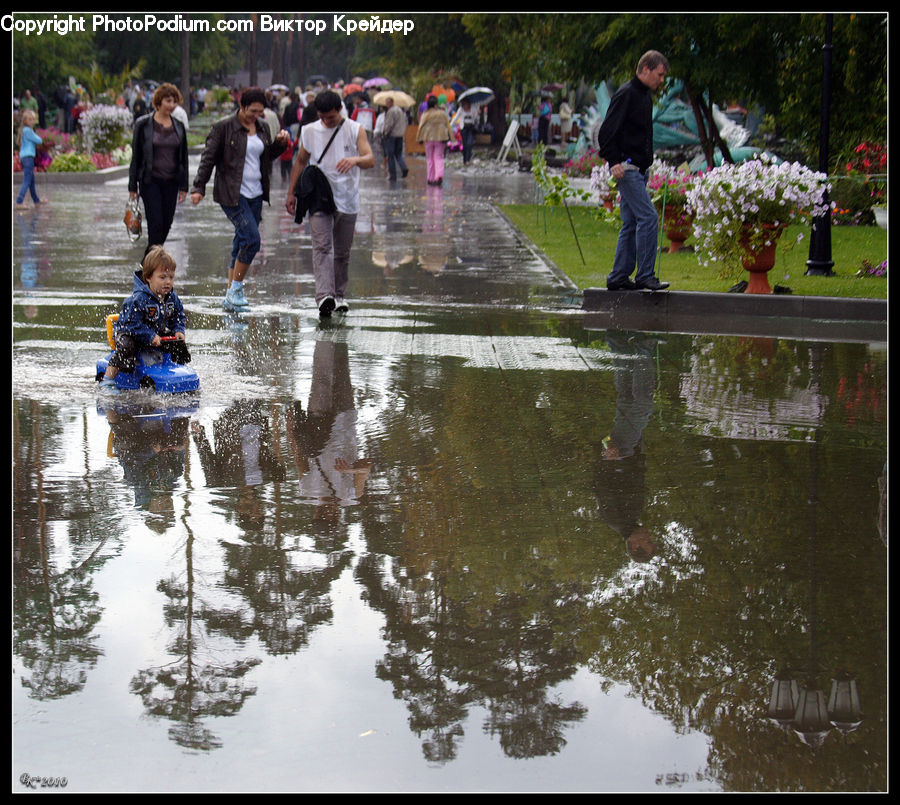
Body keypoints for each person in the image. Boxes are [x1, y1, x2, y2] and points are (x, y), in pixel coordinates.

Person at [191, 86, 290, 312]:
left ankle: (230, 296)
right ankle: (236, 288)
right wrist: (199, 187)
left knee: (241, 241)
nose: (256, 116)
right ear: (242, 106)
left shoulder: (263, 128)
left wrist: (279, 145)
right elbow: (208, 158)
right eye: (252, 111)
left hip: (256, 193)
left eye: (260, 112)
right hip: (232, 194)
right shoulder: (224, 128)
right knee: (252, 240)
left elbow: (265, 157)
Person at [285, 90, 374, 318]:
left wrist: (354, 159)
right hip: (319, 198)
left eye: (331, 118)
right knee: (322, 246)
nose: (326, 121)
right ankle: (325, 296)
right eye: (322, 117)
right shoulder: (310, 131)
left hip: (347, 198)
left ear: (340, 110)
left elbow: (369, 158)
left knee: (342, 252)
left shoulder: (355, 129)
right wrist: (291, 193)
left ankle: (339, 295)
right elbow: (301, 161)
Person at [596, 50, 670, 292]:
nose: (661, 80)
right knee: (648, 217)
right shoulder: (627, 93)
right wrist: (613, 161)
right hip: (626, 169)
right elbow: (606, 131)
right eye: (659, 75)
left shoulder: (644, 96)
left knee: (630, 223)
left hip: (639, 169)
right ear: (645, 69)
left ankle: (618, 276)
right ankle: (645, 275)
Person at [593, 330, 659, 563]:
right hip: (628, 451)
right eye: (652, 541)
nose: (651, 537)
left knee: (642, 404)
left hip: (621, 452)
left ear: (633, 544)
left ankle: (644, 348)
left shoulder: (617, 519)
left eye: (647, 543)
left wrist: (608, 457)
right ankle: (617, 343)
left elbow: (601, 487)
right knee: (628, 399)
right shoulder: (629, 519)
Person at [98, 246, 190, 391]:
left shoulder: (172, 298)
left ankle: (176, 370)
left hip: (154, 334)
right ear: (148, 278)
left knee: (177, 343)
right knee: (127, 347)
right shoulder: (138, 299)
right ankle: (107, 380)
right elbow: (131, 325)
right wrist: (149, 335)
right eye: (162, 277)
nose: (168, 282)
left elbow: (178, 315)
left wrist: (179, 330)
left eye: (171, 277)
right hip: (130, 333)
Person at [128, 83, 189, 261]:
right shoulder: (144, 124)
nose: (171, 105)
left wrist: (184, 185)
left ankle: (146, 268)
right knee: (156, 227)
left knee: (165, 228)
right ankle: (148, 272)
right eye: (168, 101)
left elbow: (183, 157)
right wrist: (133, 186)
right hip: (150, 181)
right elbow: (136, 157)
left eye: (175, 101)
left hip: (171, 183)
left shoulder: (178, 126)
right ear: (159, 101)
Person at [416, 95, 453, 186]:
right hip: (440, 137)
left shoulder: (426, 114)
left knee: (429, 158)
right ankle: (439, 176)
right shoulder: (442, 113)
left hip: (428, 137)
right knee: (439, 157)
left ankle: (430, 177)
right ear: (436, 104)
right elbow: (448, 126)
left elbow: (421, 126)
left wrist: (418, 138)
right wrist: (452, 138)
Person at [16, 110, 43, 207]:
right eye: (30, 119)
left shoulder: (24, 131)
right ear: (25, 121)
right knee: (27, 180)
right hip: (28, 158)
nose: (32, 121)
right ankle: (19, 201)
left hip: (25, 158)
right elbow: (39, 140)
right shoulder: (28, 131)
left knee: (31, 181)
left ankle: (36, 200)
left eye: (33, 119)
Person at [381, 97, 408, 181]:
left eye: (387, 102)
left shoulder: (391, 111)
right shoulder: (400, 111)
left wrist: (385, 133)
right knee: (398, 154)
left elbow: (389, 124)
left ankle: (392, 175)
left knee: (390, 155)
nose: (386, 104)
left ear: (391, 102)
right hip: (400, 134)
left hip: (391, 136)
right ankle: (403, 167)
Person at [452, 99, 477, 165]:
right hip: (464, 128)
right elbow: (456, 118)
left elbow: (475, 117)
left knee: (469, 143)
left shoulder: (473, 109)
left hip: (470, 127)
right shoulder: (461, 109)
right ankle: (465, 159)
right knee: (465, 144)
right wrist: (450, 125)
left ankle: (468, 159)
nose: (465, 106)